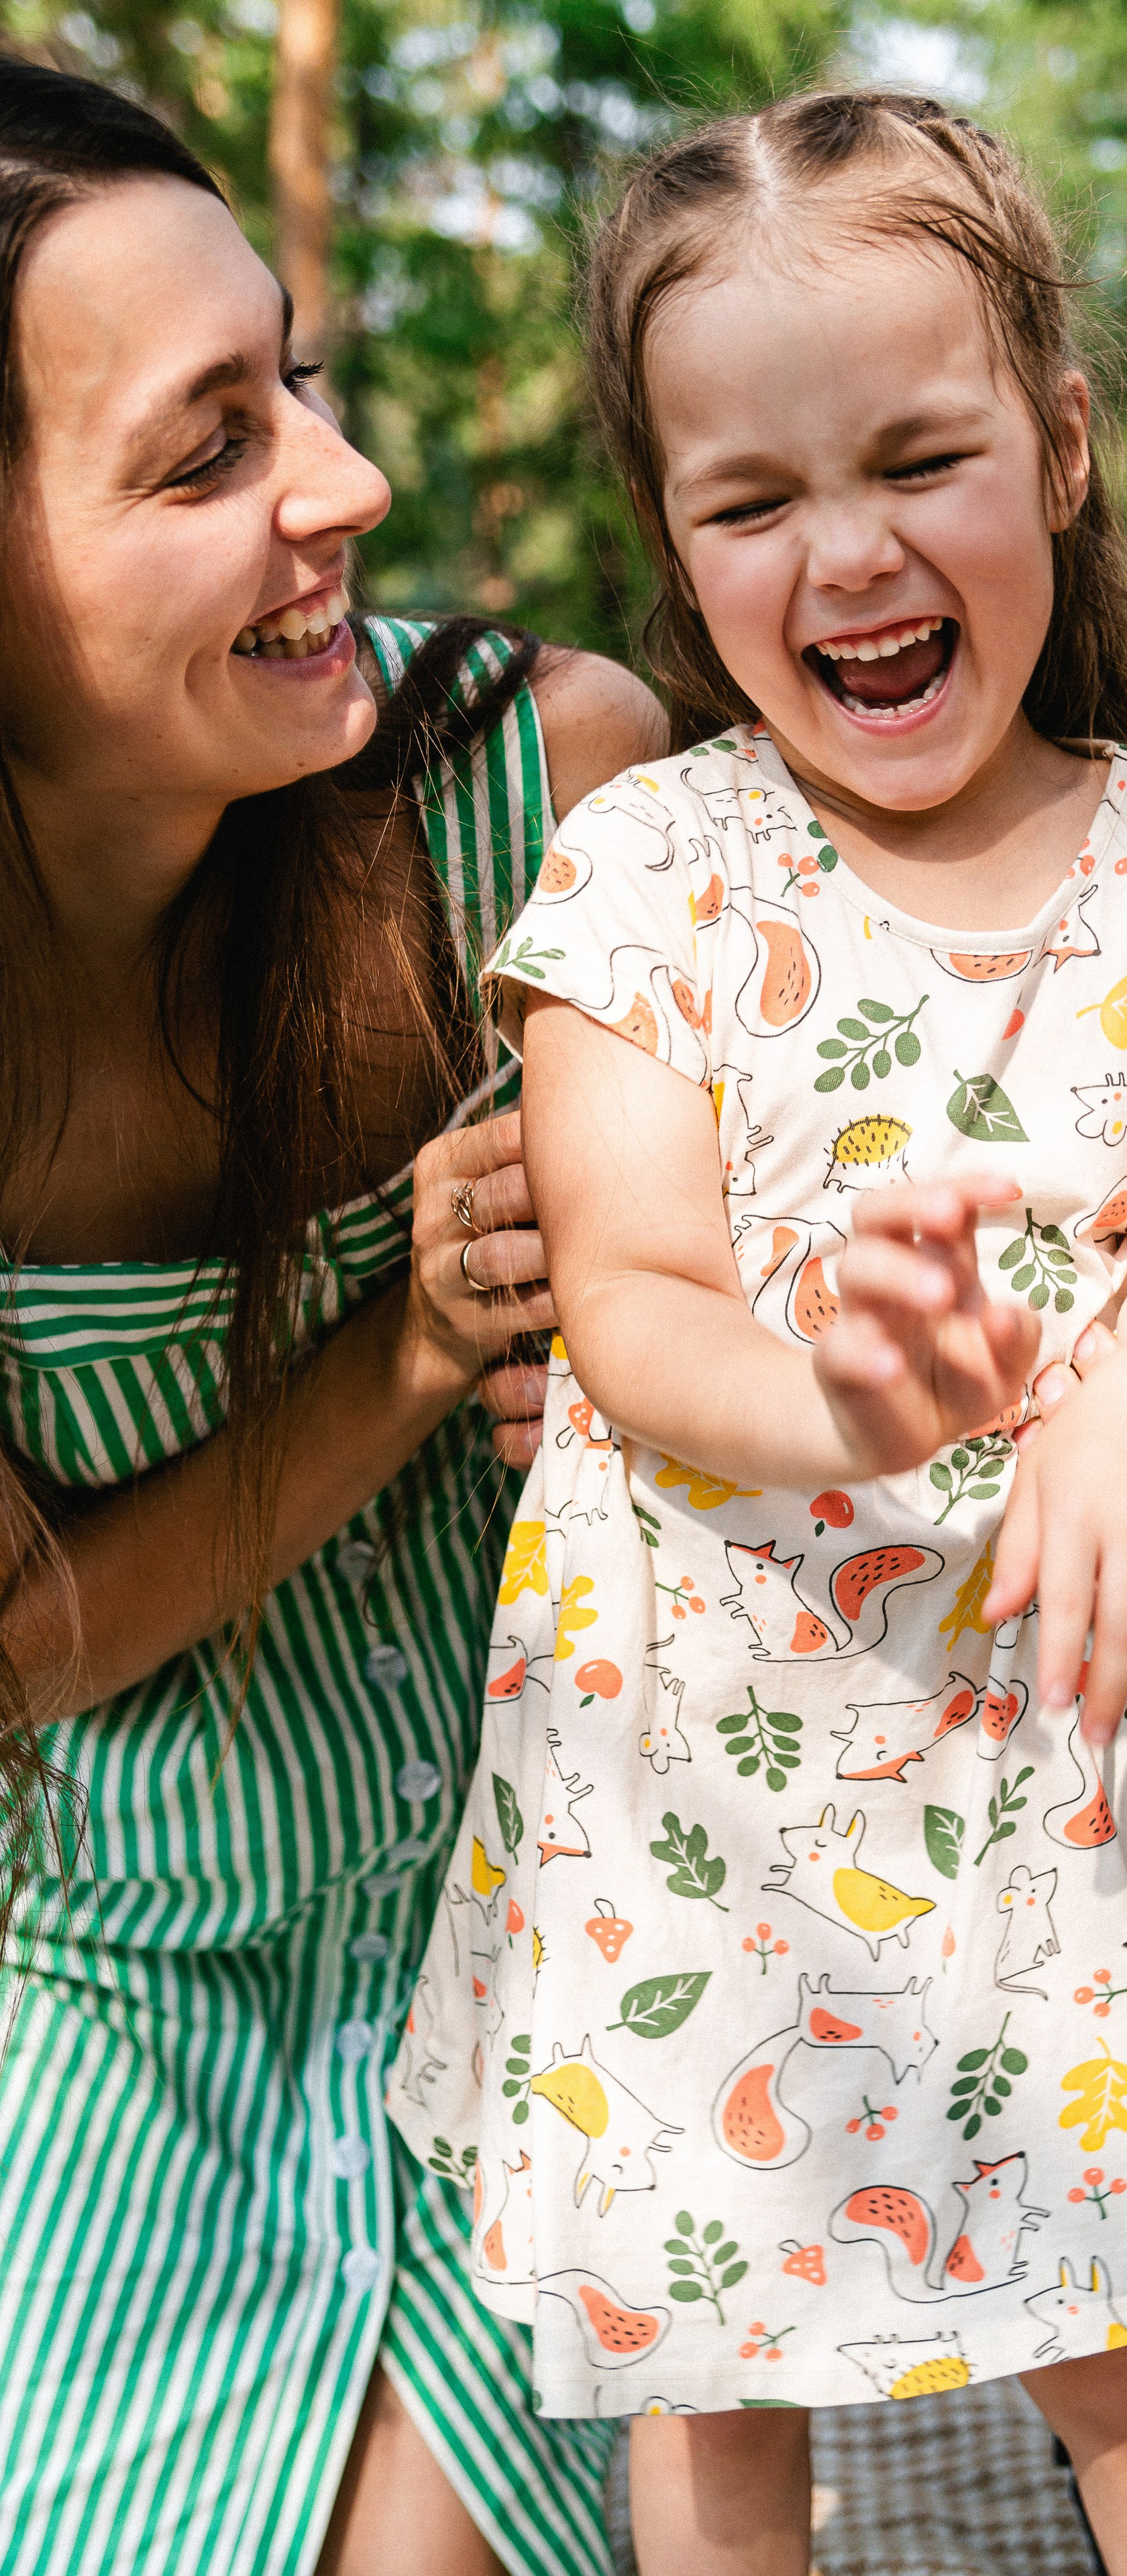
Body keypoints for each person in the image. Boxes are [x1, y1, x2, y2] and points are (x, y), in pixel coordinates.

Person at [388, 89, 1127, 2576]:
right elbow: (629, 1295)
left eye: (923, 456)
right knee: (718, 2403)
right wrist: (846, 1400)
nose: (852, 553)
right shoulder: (652, 870)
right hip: (684, 1777)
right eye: (752, 499)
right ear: (678, 537)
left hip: (1021, 1757)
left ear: (1054, 444)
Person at [0, 62, 667, 2576]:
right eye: (205, 456)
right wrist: (403, 1352)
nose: (344, 478)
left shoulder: (535, 793)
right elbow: (18, 1651)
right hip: (101, 1992)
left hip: (548, 1945)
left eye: (291, 376)